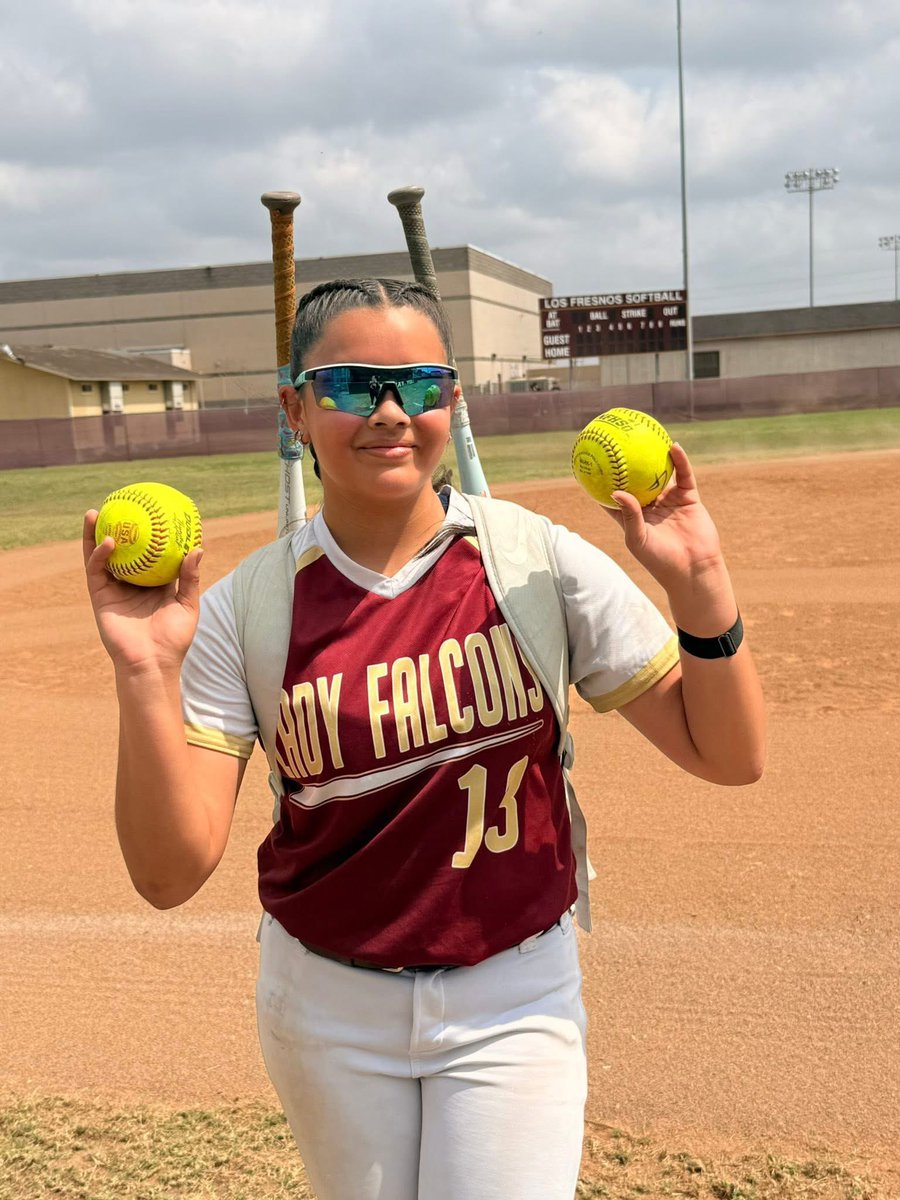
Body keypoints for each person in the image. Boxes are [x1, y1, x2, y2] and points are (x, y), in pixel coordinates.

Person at [83, 277, 765, 1200]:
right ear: (296, 408)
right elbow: (169, 877)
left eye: (421, 384)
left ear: (453, 400)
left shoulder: (535, 563)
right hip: (327, 1003)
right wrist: (142, 671)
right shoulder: (249, 608)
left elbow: (727, 756)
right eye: (353, 385)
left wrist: (703, 583)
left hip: (513, 992)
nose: (391, 412)